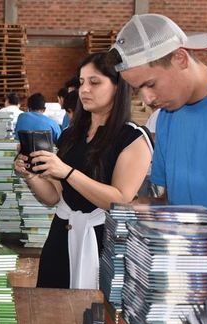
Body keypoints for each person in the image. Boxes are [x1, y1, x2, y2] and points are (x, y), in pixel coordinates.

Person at [110, 14, 207, 238]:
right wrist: (141, 208)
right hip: (186, 262)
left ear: (180, 58)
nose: (147, 99)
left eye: (150, 84)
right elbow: (172, 200)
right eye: (138, 90)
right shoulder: (168, 116)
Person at [14, 52, 151, 289]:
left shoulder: (133, 139)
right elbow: (53, 196)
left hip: (102, 242)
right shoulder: (70, 135)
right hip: (61, 235)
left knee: (93, 317)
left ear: (118, 87)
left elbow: (119, 199)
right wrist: (31, 175)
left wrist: (66, 171)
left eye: (94, 82)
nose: (84, 90)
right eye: (81, 82)